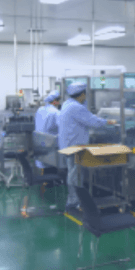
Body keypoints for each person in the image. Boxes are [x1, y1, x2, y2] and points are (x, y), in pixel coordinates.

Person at [58, 82, 116, 212]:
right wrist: (108, 122)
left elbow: (85, 116)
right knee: (75, 175)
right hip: (75, 146)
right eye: (86, 94)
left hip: (68, 144)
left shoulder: (67, 104)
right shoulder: (76, 107)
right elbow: (93, 121)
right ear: (82, 94)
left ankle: (74, 200)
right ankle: (73, 202)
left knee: (73, 173)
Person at [34, 90, 61, 172]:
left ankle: (45, 178)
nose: (59, 103)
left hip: (39, 146)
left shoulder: (40, 109)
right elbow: (63, 128)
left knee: (43, 167)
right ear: (55, 101)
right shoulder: (56, 112)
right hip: (50, 149)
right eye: (59, 100)